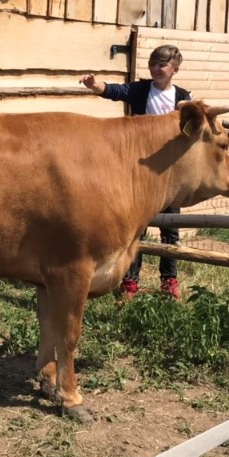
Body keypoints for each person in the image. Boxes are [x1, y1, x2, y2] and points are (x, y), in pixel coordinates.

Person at [81, 44, 191, 300]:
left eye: (162, 65)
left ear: (175, 69)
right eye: (153, 64)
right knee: (136, 228)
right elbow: (115, 91)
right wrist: (95, 86)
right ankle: (130, 281)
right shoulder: (141, 90)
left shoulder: (183, 97)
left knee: (170, 228)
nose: (156, 69)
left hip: (169, 173)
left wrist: (188, 109)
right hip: (140, 173)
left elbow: (192, 129)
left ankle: (169, 281)